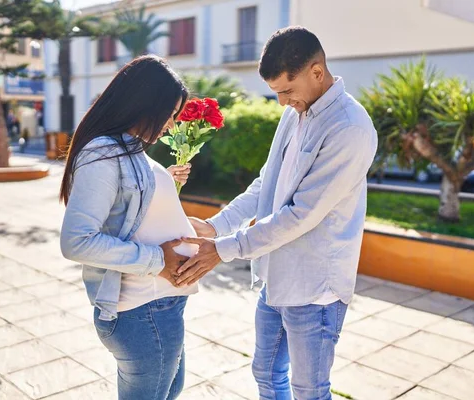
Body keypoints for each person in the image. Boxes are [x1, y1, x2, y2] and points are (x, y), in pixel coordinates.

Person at [179, 27, 378, 399]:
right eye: (277, 94)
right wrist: (215, 226)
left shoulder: (349, 128)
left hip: (316, 287)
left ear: (317, 72)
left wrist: (223, 249)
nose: (283, 103)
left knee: (309, 390)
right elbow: (266, 183)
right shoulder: (295, 113)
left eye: (287, 91)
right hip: (277, 277)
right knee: (267, 374)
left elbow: (300, 215)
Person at [59, 55, 194, 400]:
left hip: (160, 305)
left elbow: (134, 212)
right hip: (142, 309)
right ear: (143, 102)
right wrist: (159, 260)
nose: (171, 123)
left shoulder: (129, 150)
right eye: (169, 112)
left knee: (170, 389)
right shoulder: (104, 152)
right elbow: (77, 241)